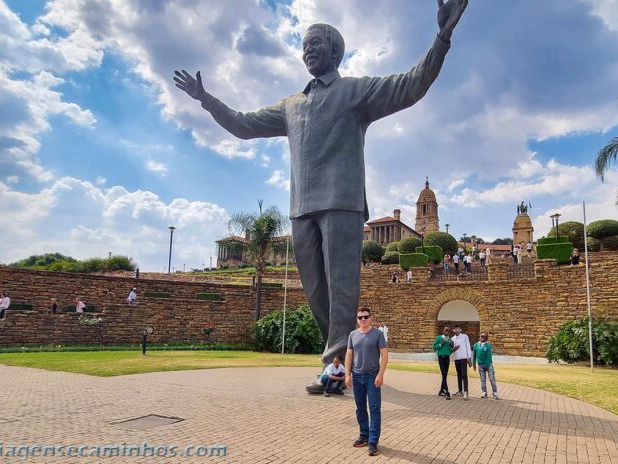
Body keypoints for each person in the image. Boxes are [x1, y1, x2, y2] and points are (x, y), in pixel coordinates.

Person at [173, 1, 468, 384]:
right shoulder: (291, 105)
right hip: (302, 208)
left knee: (343, 288)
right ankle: (344, 357)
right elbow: (243, 126)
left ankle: (334, 364)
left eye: (315, 43)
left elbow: (412, 85)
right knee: (314, 291)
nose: (307, 50)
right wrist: (206, 99)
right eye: (304, 45)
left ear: (335, 51)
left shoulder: (356, 91)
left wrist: (442, 37)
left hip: (342, 203)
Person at [345, 308, 388, 457]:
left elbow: (384, 355)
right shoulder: (353, 334)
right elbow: (349, 355)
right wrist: (347, 375)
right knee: (360, 408)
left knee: (374, 409)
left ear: (371, 318)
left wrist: (380, 375)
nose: (363, 319)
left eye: (365, 317)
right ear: (357, 319)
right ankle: (364, 435)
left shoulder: (378, 334)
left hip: (372, 377)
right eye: (360, 317)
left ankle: (373, 442)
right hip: (357, 376)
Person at [473, 332, 499, 399]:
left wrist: (487, 365)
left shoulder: (487, 346)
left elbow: (489, 356)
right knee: (482, 379)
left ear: (486, 338)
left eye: (483, 336)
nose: (482, 337)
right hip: (480, 365)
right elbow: (474, 355)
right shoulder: (476, 345)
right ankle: (484, 392)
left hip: (488, 365)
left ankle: (495, 393)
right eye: (481, 336)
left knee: (492, 379)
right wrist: (474, 364)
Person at [432, 326, 454, 399]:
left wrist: (453, 348)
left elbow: (450, 350)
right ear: (443, 331)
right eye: (446, 330)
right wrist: (441, 343)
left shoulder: (449, 339)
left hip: (447, 358)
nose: (447, 331)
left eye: (448, 330)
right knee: (444, 373)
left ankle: (441, 390)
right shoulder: (439, 338)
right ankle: (447, 391)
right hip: (441, 357)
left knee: (445, 374)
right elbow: (434, 347)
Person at [452, 325, 472, 400]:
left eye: (458, 329)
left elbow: (468, 346)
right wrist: (454, 349)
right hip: (457, 359)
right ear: (454, 330)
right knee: (459, 375)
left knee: (464, 375)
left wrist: (469, 357)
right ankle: (460, 391)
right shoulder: (452, 338)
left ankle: (466, 392)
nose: (456, 330)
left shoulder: (464, 336)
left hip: (464, 358)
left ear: (460, 330)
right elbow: (452, 349)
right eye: (455, 329)